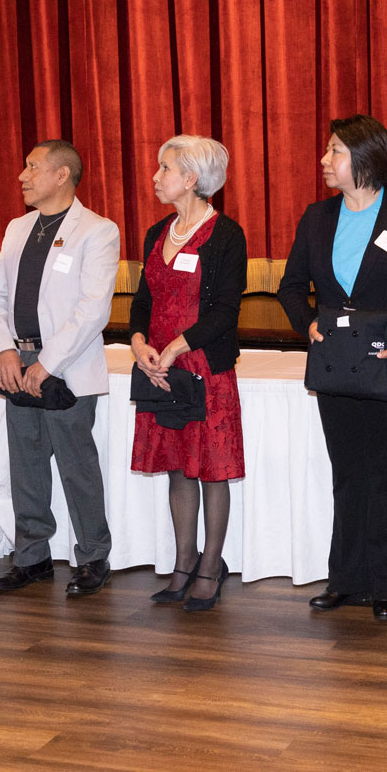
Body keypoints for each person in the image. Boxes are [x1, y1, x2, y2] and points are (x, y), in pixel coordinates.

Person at [277, 115, 387, 622]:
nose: (324, 161)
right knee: (347, 474)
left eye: (334, 152)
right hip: (335, 367)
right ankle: (346, 580)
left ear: (365, 158)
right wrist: (307, 325)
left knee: (386, 474)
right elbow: (289, 286)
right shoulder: (316, 216)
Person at [0, 141, 121, 596]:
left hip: (66, 368)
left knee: (78, 466)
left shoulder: (96, 230)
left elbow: (93, 310)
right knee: (26, 466)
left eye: (32, 167)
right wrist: (4, 351)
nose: (22, 175)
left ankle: (94, 557)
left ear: (62, 175)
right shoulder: (18, 228)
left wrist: (47, 361)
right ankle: (33, 558)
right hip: (17, 364)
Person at [130, 135, 247, 613]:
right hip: (159, 367)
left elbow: (224, 311)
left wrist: (176, 347)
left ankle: (210, 566)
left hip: (202, 369)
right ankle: (183, 563)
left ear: (192, 179)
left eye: (165, 168)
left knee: (211, 472)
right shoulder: (157, 231)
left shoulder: (226, 235)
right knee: (178, 466)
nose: (156, 177)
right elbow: (142, 301)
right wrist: (140, 345)